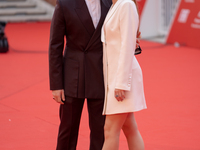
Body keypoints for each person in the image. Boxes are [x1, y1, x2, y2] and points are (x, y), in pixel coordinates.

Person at [49, 0, 112, 150]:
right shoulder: (65, 4)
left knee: (101, 131)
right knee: (68, 130)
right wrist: (56, 84)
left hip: (101, 74)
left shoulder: (110, 3)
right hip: (72, 76)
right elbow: (55, 46)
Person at [101, 0, 147, 149]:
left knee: (110, 130)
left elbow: (127, 46)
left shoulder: (125, 4)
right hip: (115, 75)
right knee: (130, 129)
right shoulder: (115, 5)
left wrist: (121, 83)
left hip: (122, 77)